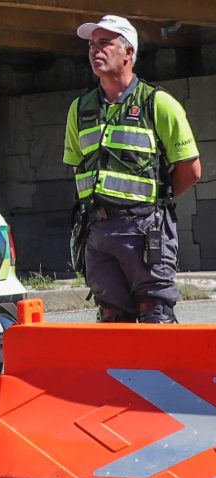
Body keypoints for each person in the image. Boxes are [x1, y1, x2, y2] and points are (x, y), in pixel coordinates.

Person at [63, 15, 201, 323]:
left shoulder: (158, 103)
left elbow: (191, 170)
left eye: (105, 43)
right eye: (91, 44)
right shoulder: (80, 108)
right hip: (97, 231)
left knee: (155, 314)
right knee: (111, 318)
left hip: (144, 229)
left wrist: (152, 203)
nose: (95, 50)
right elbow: (78, 168)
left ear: (129, 53)